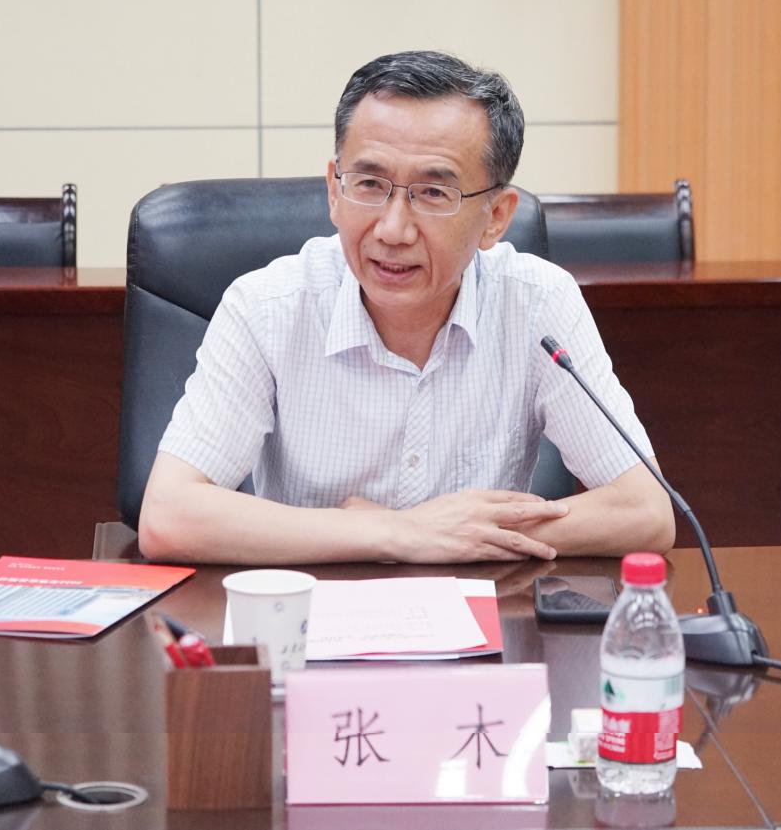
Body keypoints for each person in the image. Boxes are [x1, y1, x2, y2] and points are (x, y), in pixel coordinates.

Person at [139, 50, 674, 565]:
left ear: (495, 217)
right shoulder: (267, 307)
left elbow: (647, 512)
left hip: (484, 613)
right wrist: (402, 533)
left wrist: (462, 536)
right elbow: (168, 516)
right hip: (314, 612)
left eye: (434, 194)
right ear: (334, 191)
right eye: (370, 184)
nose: (393, 230)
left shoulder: (537, 303)